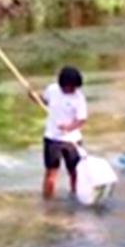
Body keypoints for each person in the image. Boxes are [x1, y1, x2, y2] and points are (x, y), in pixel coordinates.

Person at [35, 65, 87, 200]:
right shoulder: (52, 90)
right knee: (51, 174)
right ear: (63, 84)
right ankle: (48, 201)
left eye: (75, 87)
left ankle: (75, 197)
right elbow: (44, 102)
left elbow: (81, 120)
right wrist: (34, 97)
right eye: (70, 86)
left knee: (75, 172)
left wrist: (69, 127)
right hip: (52, 139)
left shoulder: (79, 98)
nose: (73, 89)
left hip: (72, 140)